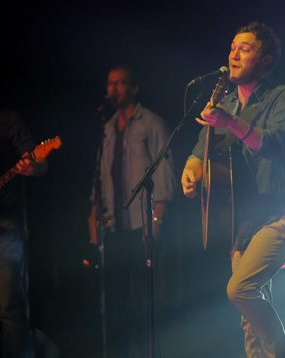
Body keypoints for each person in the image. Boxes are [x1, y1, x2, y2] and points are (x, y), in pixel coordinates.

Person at [181, 22, 285, 357]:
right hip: (242, 224)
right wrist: (191, 170)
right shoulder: (224, 103)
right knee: (249, 321)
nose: (234, 55)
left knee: (240, 290)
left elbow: (273, 144)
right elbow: (200, 152)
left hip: (280, 214)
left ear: (266, 60)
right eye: (232, 47)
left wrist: (229, 122)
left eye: (245, 48)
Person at [87, 65, 176, 358]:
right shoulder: (108, 127)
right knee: (116, 297)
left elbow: (164, 175)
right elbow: (101, 175)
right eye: (110, 83)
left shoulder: (151, 123)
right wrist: (94, 216)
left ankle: (147, 350)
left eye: (121, 83)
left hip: (143, 224)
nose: (115, 89)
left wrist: (157, 220)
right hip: (115, 225)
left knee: (144, 296)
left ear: (134, 88)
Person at [0, 108, 48, 357]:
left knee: (9, 308)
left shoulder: (7, 119)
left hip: (5, 226)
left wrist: (32, 165)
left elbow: (39, 161)